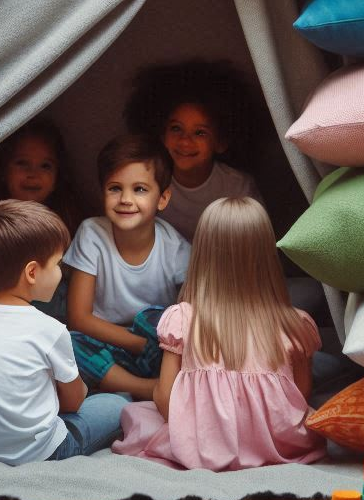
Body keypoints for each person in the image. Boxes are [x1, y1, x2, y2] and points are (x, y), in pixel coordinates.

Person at [113, 197, 326, 471]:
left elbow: (164, 396)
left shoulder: (183, 319)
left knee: (136, 414)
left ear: (202, 254)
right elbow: (300, 394)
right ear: (267, 256)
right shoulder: (296, 324)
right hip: (278, 442)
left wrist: (196, 433)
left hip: (204, 444)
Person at [0, 199, 127, 464]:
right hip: (41, 454)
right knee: (116, 404)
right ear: (32, 272)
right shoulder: (50, 329)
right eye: (57, 264)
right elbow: (74, 403)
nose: (60, 272)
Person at [65, 134, 191, 401]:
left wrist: (157, 346)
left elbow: (191, 314)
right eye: (114, 188)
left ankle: (143, 384)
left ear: (163, 198)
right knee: (64, 344)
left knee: (174, 328)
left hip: (158, 345)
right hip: (104, 342)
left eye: (140, 189)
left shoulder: (175, 247)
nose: (125, 199)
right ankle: (147, 389)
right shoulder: (92, 234)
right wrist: (139, 344)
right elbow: (78, 317)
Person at [123, 60, 264, 242]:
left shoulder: (238, 186)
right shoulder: (148, 181)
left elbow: (256, 242)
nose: (185, 140)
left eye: (200, 133)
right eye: (176, 128)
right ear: (161, 134)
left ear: (221, 142)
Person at [0, 118, 85, 319]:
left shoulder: (69, 220)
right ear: (4, 170)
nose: (33, 174)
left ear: (58, 176)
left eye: (45, 166)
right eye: (22, 163)